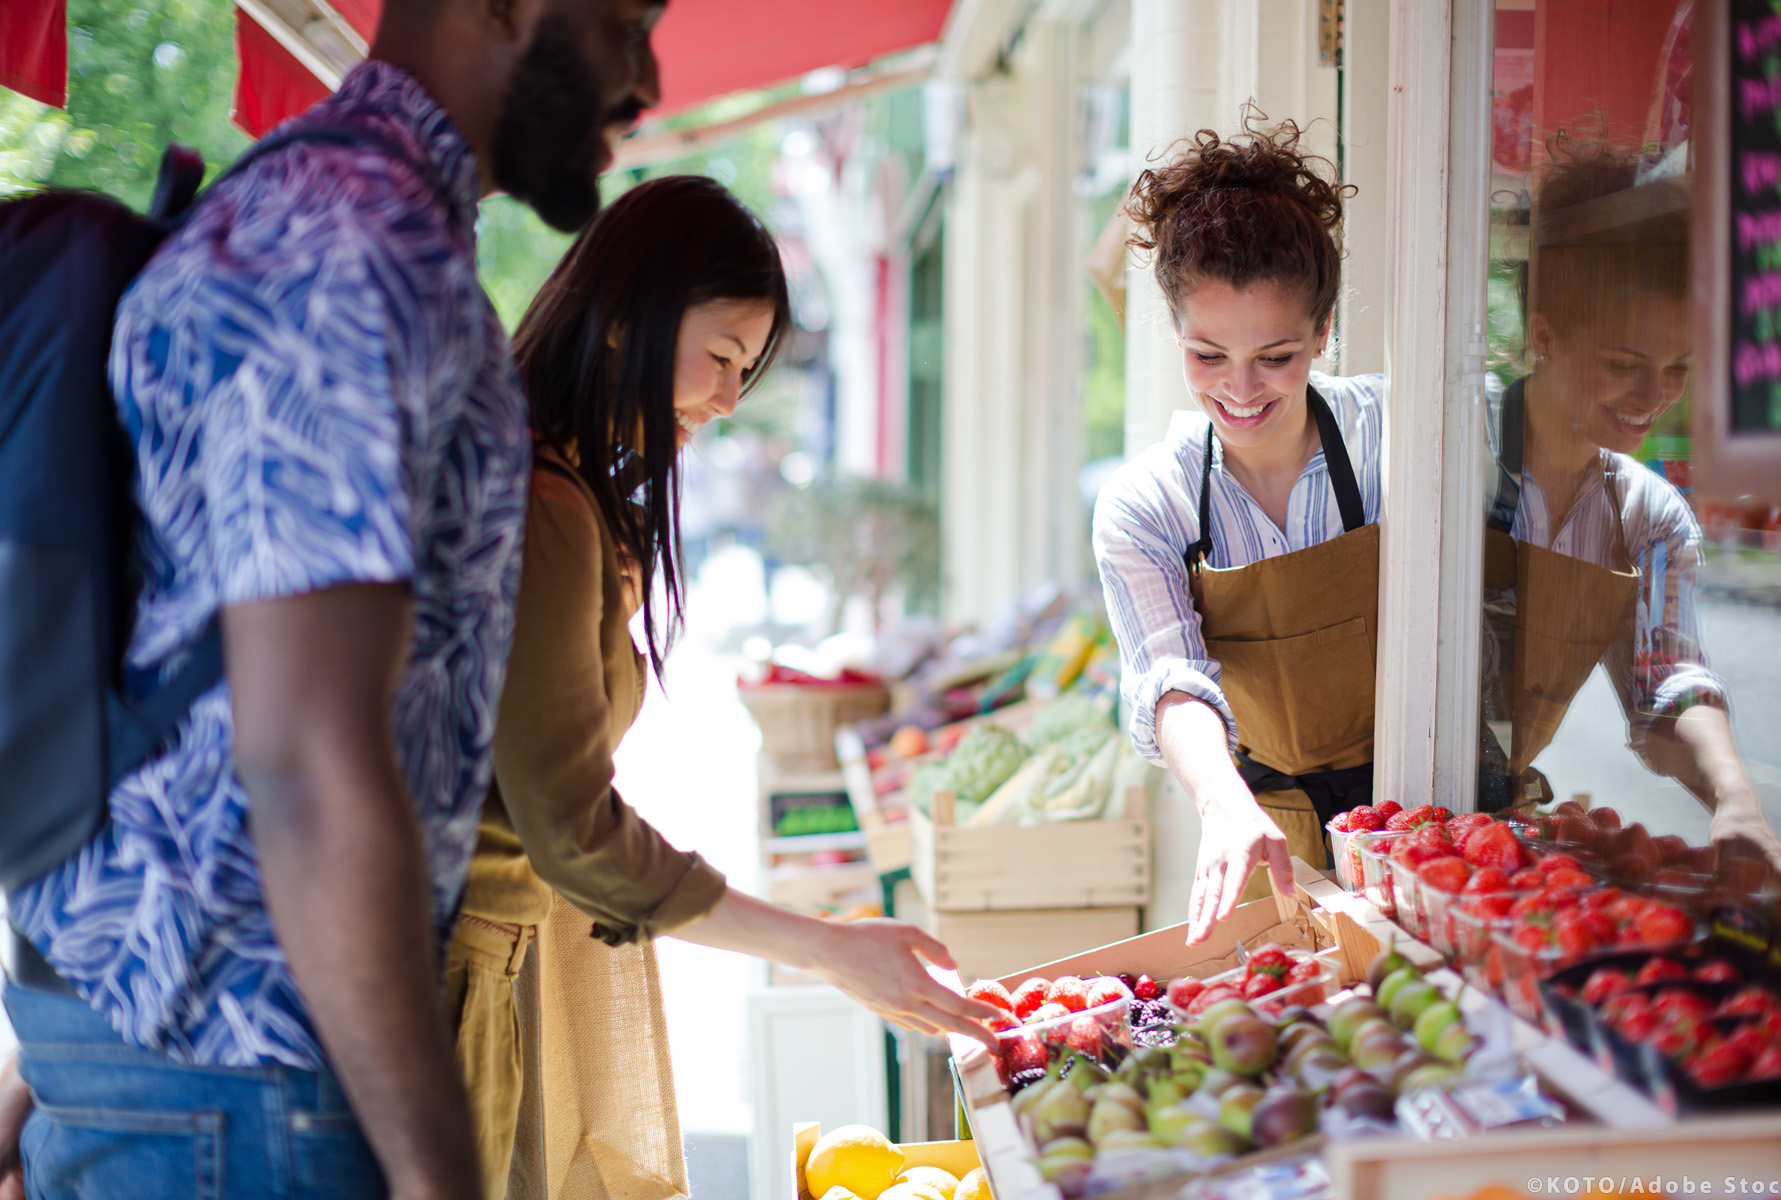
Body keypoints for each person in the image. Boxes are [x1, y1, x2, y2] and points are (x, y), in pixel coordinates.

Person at [0, 1, 665, 1197]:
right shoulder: (349, 245)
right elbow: (304, 759)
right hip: (245, 1079)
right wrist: (435, 1171)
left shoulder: (346, 222)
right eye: (629, 19)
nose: (647, 76)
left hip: (195, 1067)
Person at [453, 175, 1004, 1199]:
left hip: (479, 965)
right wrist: (827, 949)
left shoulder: (553, 487)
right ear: (625, 318)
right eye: (719, 357)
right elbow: (569, 828)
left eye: (744, 372)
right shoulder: (544, 506)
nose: (724, 400)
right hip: (447, 983)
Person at [1092, 117, 1383, 945]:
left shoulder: (1399, 438)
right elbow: (1171, 677)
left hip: (1432, 823)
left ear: (1323, 332)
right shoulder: (1148, 505)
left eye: (1278, 355)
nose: (1242, 390)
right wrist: (1224, 804)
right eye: (1208, 356)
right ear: (1176, 337)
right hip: (1268, 843)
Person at [1481, 141, 1781, 889]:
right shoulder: (1442, 459)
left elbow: (1666, 682)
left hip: (1485, 854)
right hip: (1355, 834)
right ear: (1544, 336)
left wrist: (1735, 801)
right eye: (1623, 365)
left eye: (1677, 369)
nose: (1653, 396)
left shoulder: (1646, 517)